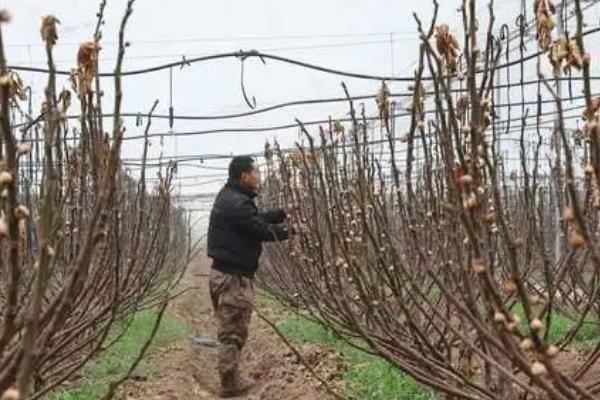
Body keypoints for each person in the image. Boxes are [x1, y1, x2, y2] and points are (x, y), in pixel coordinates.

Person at [207, 156, 289, 398]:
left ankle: (230, 376)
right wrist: (291, 230)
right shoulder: (237, 203)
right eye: (256, 172)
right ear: (244, 175)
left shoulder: (231, 198)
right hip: (233, 278)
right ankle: (229, 384)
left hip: (224, 274)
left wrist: (281, 214)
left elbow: (252, 221)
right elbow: (258, 230)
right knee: (231, 333)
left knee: (230, 329)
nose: (259, 176)